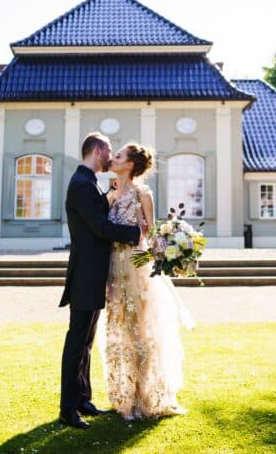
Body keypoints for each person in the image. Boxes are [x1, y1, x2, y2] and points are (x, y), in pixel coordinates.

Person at [101, 142, 195, 420]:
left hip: (136, 266)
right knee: (118, 329)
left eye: (118, 156)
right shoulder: (110, 192)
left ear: (129, 164)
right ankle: (124, 397)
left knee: (141, 331)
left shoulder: (143, 193)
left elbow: (152, 235)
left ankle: (146, 397)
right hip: (113, 268)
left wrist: (176, 251)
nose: (113, 158)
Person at [58, 132, 145, 430]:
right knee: (76, 342)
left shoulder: (89, 183)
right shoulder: (81, 184)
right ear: (97, 151)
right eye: (108, 151)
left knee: (86, 343)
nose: (110, 157)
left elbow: (98, 219)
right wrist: (134, 234)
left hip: (93, 274)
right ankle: (67, 408)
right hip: (85, 274)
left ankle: (83, 398)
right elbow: (99, 227)